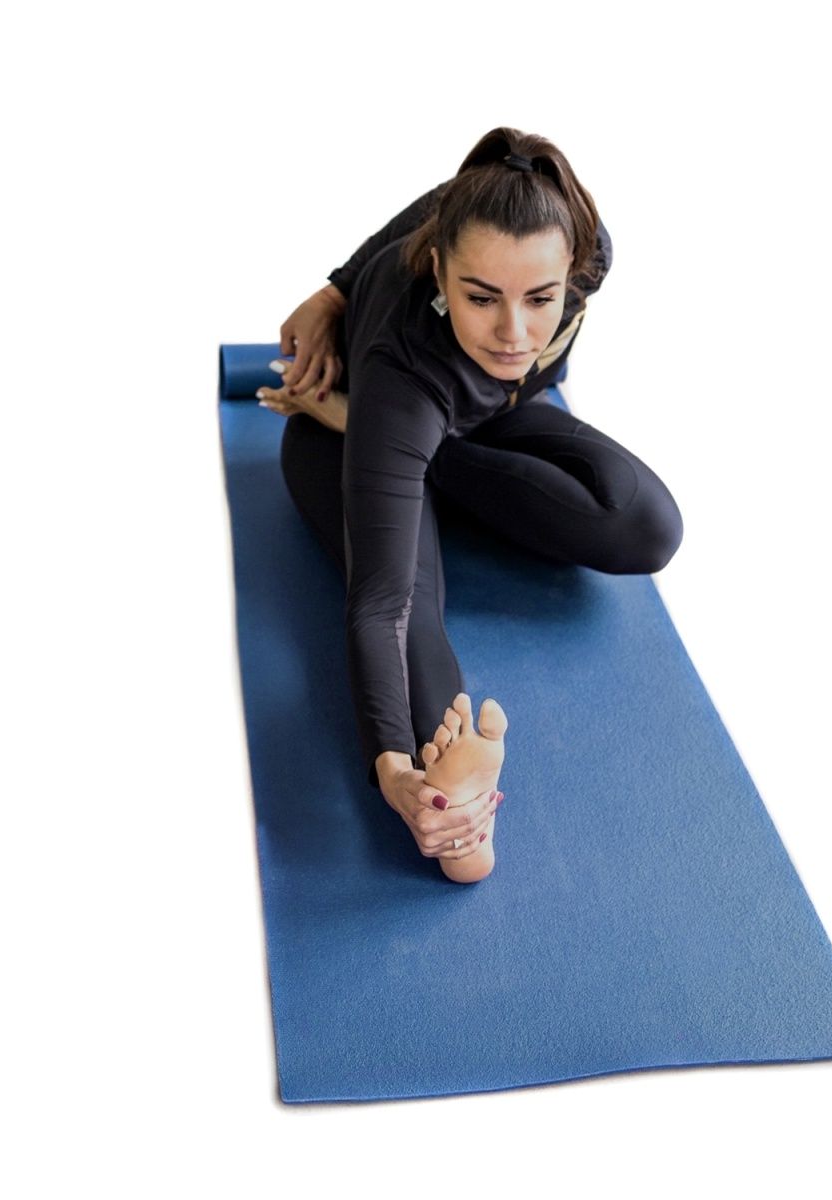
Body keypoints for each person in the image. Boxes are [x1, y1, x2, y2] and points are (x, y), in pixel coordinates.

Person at [256, 127, 683, 884]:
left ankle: (413, 446)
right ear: (438, 270)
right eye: (480, 298)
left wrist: (334, 289)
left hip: (476, 420)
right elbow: (382, 604)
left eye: (541, 299)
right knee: (412, 603)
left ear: (573, 269)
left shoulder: (581, 243)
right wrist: (393, 766)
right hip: (364, 435)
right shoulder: (403, 372)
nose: (514, 333)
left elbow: (458, 194)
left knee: (648, 526)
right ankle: (456, 803)